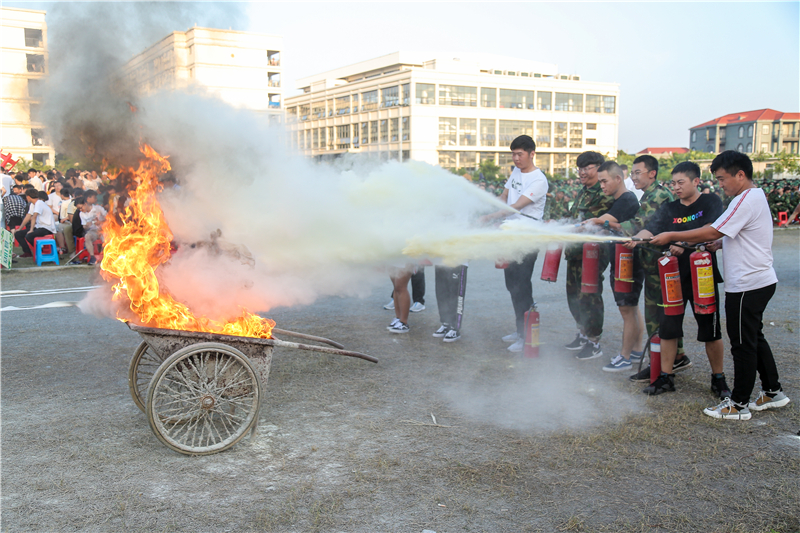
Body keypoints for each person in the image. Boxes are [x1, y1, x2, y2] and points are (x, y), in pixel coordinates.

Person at [649, 151, 790, 420]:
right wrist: (721, 243)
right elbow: (736, 234)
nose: (720, 184)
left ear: (741, 175)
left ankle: (738, 404)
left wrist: (672, 235)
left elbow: (714, 229)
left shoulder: (744, 199)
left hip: (747, 284)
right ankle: (773, 391)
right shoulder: (755, 196)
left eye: (723, 178)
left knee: (742, 344)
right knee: (755, 337)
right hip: (758, 281)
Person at [629, 162, 730, 398]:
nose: (675, 187)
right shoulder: (669, 208)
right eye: (673, 183)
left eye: (680, 182)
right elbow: (651, 229)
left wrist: (682, 242)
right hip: (673, 277)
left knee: (710, 329)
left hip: (701, 275)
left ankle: (718, 379)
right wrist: (637, 238)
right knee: (668, 327)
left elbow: (710, 229)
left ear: (696, 181)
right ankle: (666, 377)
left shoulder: (710, 202)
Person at [617, 155, 690, 382]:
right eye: (632, 172)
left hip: (661, 267)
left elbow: (641, 224)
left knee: (657, 317)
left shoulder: (658, 195)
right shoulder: (651, 194)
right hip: (655, 266)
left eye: (637, 172)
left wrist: (609, 226)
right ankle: (674, 357)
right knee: (664, 315)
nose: (633, 177)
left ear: (652, 173)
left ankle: (661, 363)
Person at [480, 135, 548, 352]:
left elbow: (516, 206)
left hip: (526, 238)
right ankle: (520, 330)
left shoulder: (538, 180)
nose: (516, 158)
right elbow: (505, 197)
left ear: (532, 154)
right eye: (513, 154)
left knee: (522, 285)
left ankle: (526, 336)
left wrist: (489, 217)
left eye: (520, 154)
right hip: (509, 234)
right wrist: (490, 208)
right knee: (511, 284)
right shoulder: (516, 172)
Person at [582, 161, 642, 366]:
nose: (602, 186)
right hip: (622, 259)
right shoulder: (619, 200)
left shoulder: (626, 200)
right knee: (632, 308)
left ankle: (625, 357)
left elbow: (598, 222)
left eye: (604, 181)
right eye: (600, 182)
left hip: (628, 262)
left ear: (618, 178)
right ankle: (636, 351)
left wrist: (588, 224)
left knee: (627, 309)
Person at [563, 151, 614, 359]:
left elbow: (598, 223)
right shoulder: (582, 192)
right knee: (573, 294)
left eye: (587, 168)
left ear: (599, 168)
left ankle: (594, 341)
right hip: (575, 251)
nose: (582, 172)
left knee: (590, 295)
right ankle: (583, 333)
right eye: (580, 168)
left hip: (592, 253)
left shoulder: (604, 193)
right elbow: (573, 217)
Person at [12, 188, 57, 257]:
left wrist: (31, 230)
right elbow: (28, 217)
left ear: (28, 197)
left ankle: (40, 251)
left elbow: (34, 217)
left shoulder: (39, 203)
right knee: (18, 234)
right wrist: (20, 228)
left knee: (29, 236)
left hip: (47, 228)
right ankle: (27, 252)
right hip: (39, 226)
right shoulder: (33, 204)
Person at [432, 262, 468, 342]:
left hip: (458, 261)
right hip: (440, 260)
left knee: (455, 294)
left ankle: (455, 328)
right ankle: (446, 323)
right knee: (441, 292)